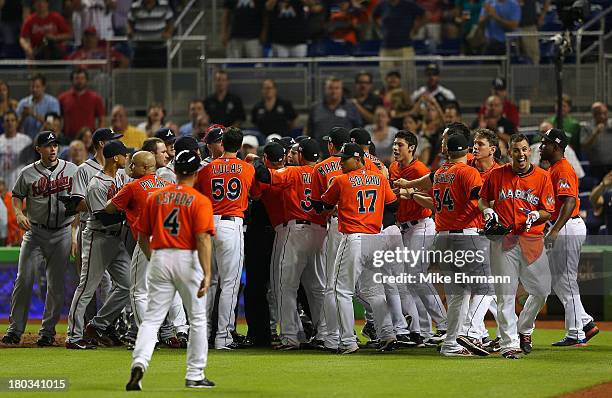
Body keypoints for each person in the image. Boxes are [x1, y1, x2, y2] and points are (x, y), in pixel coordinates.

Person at [126, 149, 216, 391]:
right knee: (197, 318)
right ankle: (195, 374)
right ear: (196, 173)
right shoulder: (200, 200)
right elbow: (203, 240)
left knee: (152, 319)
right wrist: (207, 273)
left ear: (174, 171)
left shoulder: (156, 196)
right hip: (186, 259)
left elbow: (143, 235)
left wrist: (153, 258)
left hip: (160, 256)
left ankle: (139, 364)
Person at [479, 133, 554, 359]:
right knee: (505, 295)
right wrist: (488, 210)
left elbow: (548, 210)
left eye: (523, 150)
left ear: (528, 151)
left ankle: (524, 328)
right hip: (504, 241)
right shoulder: (497, 175)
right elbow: (483, 199)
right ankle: (509, 344)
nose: (520, 154)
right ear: (509, 152)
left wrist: (535, 215)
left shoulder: (542, 176)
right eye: (515, 150)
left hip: (532, 239)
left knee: (542, 291)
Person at [318, 142, 398, 353]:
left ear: (358, 159)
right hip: (375, 238)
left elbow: (325, 204)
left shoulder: (342, 180)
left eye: (345, 159)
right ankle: (387, 333)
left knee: (340, 290)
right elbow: (392, 204)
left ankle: (347, 341)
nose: (341, 162)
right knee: (375, 290)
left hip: (354, 238)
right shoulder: (380, 178)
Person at [249, 138, 327, 350]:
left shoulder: (294, 172)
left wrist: (256, 162)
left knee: (284, 286)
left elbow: (264, 177)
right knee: (318, 287)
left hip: (294, 230)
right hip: (320, 232)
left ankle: (290, 337)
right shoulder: (324, 172)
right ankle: (326, 335)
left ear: (301, 155)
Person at [1, 131, 78, 347]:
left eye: (55, 145)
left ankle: (48, 331)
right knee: (24, 280)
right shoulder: (27, 173)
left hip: (62, 231)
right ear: (38, 149)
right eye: (47, 145)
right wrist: (18, 213)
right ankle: (15, 330)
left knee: (56, 285)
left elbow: (81, 201)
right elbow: (17, 196)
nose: (52, 149)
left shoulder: (71, 169)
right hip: (35, 232)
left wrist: (74, 232)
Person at [195, 127, 256, 349]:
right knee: (229, 284)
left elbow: (199, 196)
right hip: (231, 225)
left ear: (222, 144)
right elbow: (255, 194)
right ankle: (223, 337)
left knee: (209, 282)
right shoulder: (246, 168)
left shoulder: (207, 168)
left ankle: (204, 333)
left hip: (209, 223)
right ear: (238, 146)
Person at [64, 129, 124, 349]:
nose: (121, 146)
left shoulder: (120, 174)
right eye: (116, 142)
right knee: (88, 286)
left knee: (127, 285)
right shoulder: (88, 173)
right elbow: (79, 204)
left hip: (116, 237)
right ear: (104, 145)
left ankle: (98, 325)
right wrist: (117, 210)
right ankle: (74, 335)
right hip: (96, 233)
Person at [539, 128, 599, 346]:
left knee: (566, 280)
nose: (541, 146)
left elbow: (570, 202)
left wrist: (555, 230)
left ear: (556, 147)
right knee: (560, 281)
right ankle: (584, 324)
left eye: (545, 143)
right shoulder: (555, 168)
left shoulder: (563, 169)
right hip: (564, 226)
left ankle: (578, 332)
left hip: (566, 226)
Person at [389, 130, 449, 344]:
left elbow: (435, 200)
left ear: (412, 148)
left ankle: (444, 324)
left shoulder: (419, 169)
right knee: (411, 280)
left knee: (416, 275)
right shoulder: (394, 167)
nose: (396, 148)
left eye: (400, 145)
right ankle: (423, 331)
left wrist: (411, 193)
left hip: (422, 225)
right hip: (403, 227)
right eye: (395, 144)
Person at [372, 0, 425, 85]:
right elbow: (374, 17)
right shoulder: (382, 5)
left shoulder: (408, 4)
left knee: (408, 79)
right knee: (386, 79)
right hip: (386, 48)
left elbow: (424, 15)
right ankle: (388, 98)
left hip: (405, 48)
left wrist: (415, 29)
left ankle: (407, 97)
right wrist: (380, 30)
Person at [306, 77, 362, 155]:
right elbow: (308, 131)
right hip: (319, 155)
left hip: (345, 156)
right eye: (330, 88)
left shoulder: (351, 107)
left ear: (341, 90)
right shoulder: (315, 107)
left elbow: (358, 132)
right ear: (325, 89)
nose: (333, 91)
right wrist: (312, 152)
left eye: (337, 88)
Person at [58, 68, 106, 140]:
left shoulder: (96, 98)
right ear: (72, 80)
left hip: (89, 139)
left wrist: (99, 137)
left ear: (86, 80)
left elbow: (101, 119)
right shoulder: (63, 98)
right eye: (77, 78)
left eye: (82, 78)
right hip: (68, 138)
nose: (79, 81)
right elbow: (58, 119)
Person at [127, 0, 174, 68]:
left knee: (160, 75)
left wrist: (168, 32)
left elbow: (171, 22)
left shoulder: (165, 5)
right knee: (139, 76)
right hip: (140, 48)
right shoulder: (135, 6)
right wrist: (130, 31)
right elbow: (129, 22)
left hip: (159, 48)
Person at [15, 73, 61, 140]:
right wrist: (23, 116)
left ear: (43, 87)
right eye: (32, 86)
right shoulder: (23, 103)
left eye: (37, 87)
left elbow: (52, 124)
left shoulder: (52, 102)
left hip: (46, 141)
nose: (34, 89)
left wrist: (33, 114)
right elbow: (15, 126)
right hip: (26, 141)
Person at [0, 111, 33, 189]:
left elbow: (31, 165)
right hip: (2, 184)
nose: (10, 123)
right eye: (7, 121)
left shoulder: (26, 140)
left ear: (17, 123)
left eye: (12, 120)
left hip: (20, 184)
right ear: (3, 124)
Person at [580, 102, 612, 179]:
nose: (602, 116)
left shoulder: (610, 124)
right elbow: (584, 146)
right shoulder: (587, 127)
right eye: (599, 114)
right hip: (596, 166)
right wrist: (595, 134)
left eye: (605, 113)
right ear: (594, 115)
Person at [518, 0, 549, 65]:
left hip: (529, 27)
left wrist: (542, 16)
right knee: (515, 55)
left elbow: (547, 1)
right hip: (510, 27)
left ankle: (534, 73)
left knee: (533, 54)